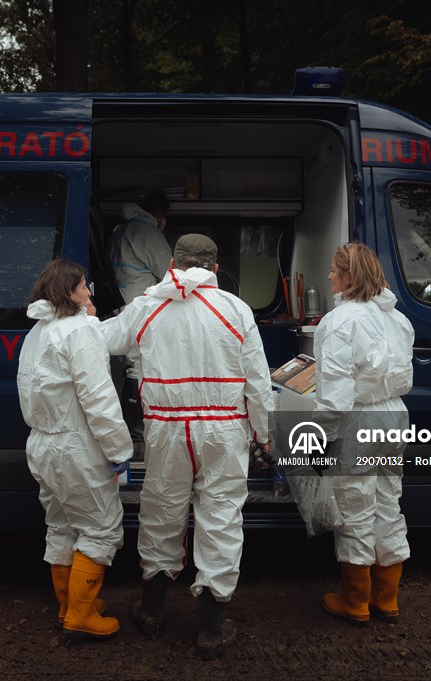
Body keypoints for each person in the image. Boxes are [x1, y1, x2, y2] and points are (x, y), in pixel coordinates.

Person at [96, 234, 274, 659]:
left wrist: (76, 317)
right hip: (225, 431)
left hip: (168, 430)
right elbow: (258, 382)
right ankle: (212, 627)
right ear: (215, 269)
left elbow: (100, 341)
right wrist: (263, 434)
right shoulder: (236, 309)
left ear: (173, 262)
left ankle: (152, 610)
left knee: (161, 510)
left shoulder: (146, 304)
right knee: (220, 517)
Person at [16, 259, 133, 641]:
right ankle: (81, 616)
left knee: (62, 526)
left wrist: (90, 320)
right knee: (100, 529)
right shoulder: (79, 331)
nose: (89, 293)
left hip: (43, 443)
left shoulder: (38, 332)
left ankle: (70, 607)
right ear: (70, 292)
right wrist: (119, 450)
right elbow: (98, 399)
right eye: (84, 287)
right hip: (76, 447)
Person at [312, 242, 414, 626]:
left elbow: (335, 396)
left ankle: (355, 601)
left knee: (356, 507)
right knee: (388, 502)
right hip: (392, 418)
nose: (329, 277)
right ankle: (387, 600)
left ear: (349, 276)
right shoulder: (397, 319)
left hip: (358, 423)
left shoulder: (339, 322)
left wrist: (319, 439)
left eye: (334, 271)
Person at [109, 189, 173, 439]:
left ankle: (128, 420)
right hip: (140, 305)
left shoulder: (120, 232)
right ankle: (136, 423)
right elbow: (170, 273)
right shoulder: (148, 233)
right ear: (158, 213)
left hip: (121, 306)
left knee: (128, 364)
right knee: (140, 364)